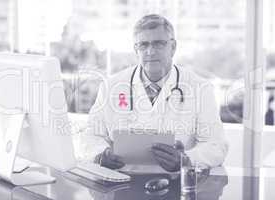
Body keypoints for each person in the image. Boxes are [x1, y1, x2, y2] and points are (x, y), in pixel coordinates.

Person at [83, 14, 228, 172]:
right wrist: (100, 154)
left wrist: (186, 159)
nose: (150, 52)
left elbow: (216, 146)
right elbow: (90, 135)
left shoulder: (200, 88)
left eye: (158, 44)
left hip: (176, 185)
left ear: (173, 47)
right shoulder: (111, 87)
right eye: (143, 45)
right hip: (121, 184)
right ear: (135, 49)